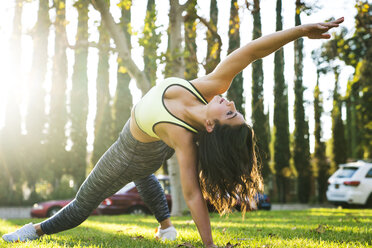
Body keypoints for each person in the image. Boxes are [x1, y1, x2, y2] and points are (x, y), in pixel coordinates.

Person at [2, 17, 343, 247]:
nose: (230, 101)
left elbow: (193, 194)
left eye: (231, 112)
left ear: (211, 125)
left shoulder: (183, 138)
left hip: (131, 150)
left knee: (81, 204)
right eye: (234, 109)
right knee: (146, 176)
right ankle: (166, 228)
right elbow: (251, 52)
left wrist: (208, 244)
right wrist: (300, 31)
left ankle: (34, 230)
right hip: (147, 151)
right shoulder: (212, 87)